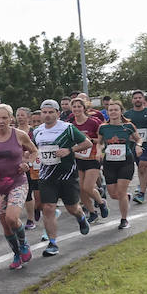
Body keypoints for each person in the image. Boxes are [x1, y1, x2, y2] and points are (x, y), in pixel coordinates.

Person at [0, 105, 38, 269]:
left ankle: (24, 243)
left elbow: (34, 151)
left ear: (11, 119)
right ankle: (17, 253)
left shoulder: (19, 135)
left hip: (17, 182)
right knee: (6, 225)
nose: (1, 121)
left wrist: (28, 163)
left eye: (4, 118)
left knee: (12, 218)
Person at [31, 100, 93, 257]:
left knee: (72, 208)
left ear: (58, 113)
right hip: (46, 175)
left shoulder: (67, 128)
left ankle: (81, 217)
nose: (47, 115)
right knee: (48, 208)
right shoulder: (37, 131)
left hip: (67, 175)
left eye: (51, 112)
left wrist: (70, 150)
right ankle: (52, 243)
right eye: (44, 112)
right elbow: (33, 150)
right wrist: (28, 157)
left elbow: (87, 143)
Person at [96, 101, 139, 228]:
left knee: (121, 192)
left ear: (121, 111)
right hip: (109, 162)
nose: (113, 112)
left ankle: (124, 219)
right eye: (110, 110)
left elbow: (138, 139)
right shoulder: (103, 127)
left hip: (125, 161)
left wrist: (139, 146)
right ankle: (126, 197)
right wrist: (99, 151)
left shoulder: (128, 126)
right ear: (108, 112)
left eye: (116, 110)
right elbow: (100, 142)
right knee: (114, 194)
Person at [68, 97, 106, 221]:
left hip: (92, 157)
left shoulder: (93, 122)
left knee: (88, 187)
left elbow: (102, 140)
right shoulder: (70, 125)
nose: (77, 109)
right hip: (78, 159)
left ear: (84, 108)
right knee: (81, 190)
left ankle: (101, 203)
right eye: (74, 107)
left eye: (79, 106)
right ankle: (92, 212)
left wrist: (89, 140)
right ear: (71, 109)